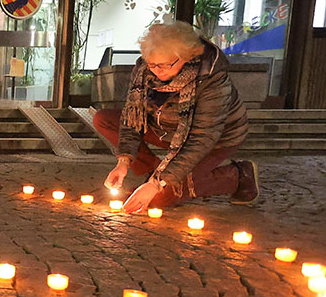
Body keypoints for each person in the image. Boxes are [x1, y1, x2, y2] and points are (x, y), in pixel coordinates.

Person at [94, 20, 257, 213]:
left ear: (186, 57)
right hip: (166, 129)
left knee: (159, 200)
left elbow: (200, 140)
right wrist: (124, 161)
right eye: (152, 64)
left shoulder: (212, 80)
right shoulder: (143, 71)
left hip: (214, 139)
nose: (156, 70)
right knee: (104, 119)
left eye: (164, 65)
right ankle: (156, 173)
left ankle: (238, 176)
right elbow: (132, 119)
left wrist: (157, 185)